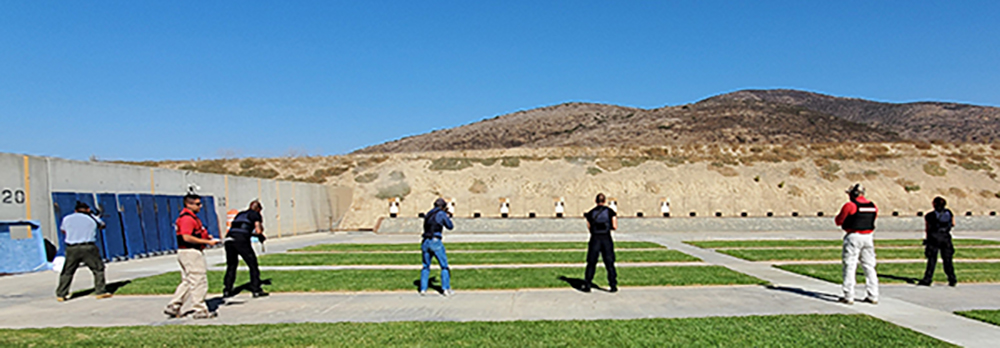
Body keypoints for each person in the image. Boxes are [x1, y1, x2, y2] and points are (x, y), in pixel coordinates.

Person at [164, 193, 219, 319]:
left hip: (187, 252)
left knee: (188, 281)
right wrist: (207, 242)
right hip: (191, 252)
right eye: (197, 204)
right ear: (189, 204)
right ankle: (199, 309)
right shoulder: (187, 218)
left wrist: (205, 237)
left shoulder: (191, 218)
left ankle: (174, 305)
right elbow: (186, 237)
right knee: (198, 280)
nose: (200, 206)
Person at [55, 201, 111, 301]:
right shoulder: (92, 218)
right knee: (98, 269)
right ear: (88, 210)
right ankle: (100, 291)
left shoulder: (67, 218)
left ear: (75, 210)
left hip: (72, 247)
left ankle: (61, 294)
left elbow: (63, 230)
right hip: (88, 247)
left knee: (67, 271)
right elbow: (102, 226)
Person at [834, 183, 879, 305]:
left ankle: (849, 295)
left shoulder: (850, 205)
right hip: (868, 237)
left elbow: (838, 221)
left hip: (854, 236)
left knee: (850, 266)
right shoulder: (872, 206)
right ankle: (873, 295)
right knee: (869, 267)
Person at [223, 200, 268, 298]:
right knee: (252, 264)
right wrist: (260, 234)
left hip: (229, 239)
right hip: (241, 241)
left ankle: (227, 289)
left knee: (231, 265)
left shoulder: (241, 214)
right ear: (258, 209)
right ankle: (256, 290)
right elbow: (258, 230)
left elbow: (240, 228)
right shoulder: (255, 214)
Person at [583, 193, 618, 293]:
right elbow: (615, 226)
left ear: (595, 201)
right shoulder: (610, 212)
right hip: (606, 238)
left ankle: (587, 284)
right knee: (609, 263)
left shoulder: (590, 213)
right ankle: (613, 285)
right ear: (605, 201)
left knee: (591, 263)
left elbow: (589, 228)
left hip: (595, 239)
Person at [920, 197, 957, 287]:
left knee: (932, 260)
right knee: (948, 260)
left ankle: (927, 279)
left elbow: (927, 228)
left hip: (934, 237)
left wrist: (927, 239)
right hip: (945, 237)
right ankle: (952, 278)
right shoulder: (949, 213)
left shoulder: (929, 215)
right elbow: (953, 224)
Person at [420, 198, 454, 296]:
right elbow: (450, 226)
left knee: (426, 266)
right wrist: (448, 216)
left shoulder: (428, 214)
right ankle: (445, 288)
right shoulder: (441, 214)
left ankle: (423, 288)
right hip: (435, 241)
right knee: (444, 266)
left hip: (425, 241)